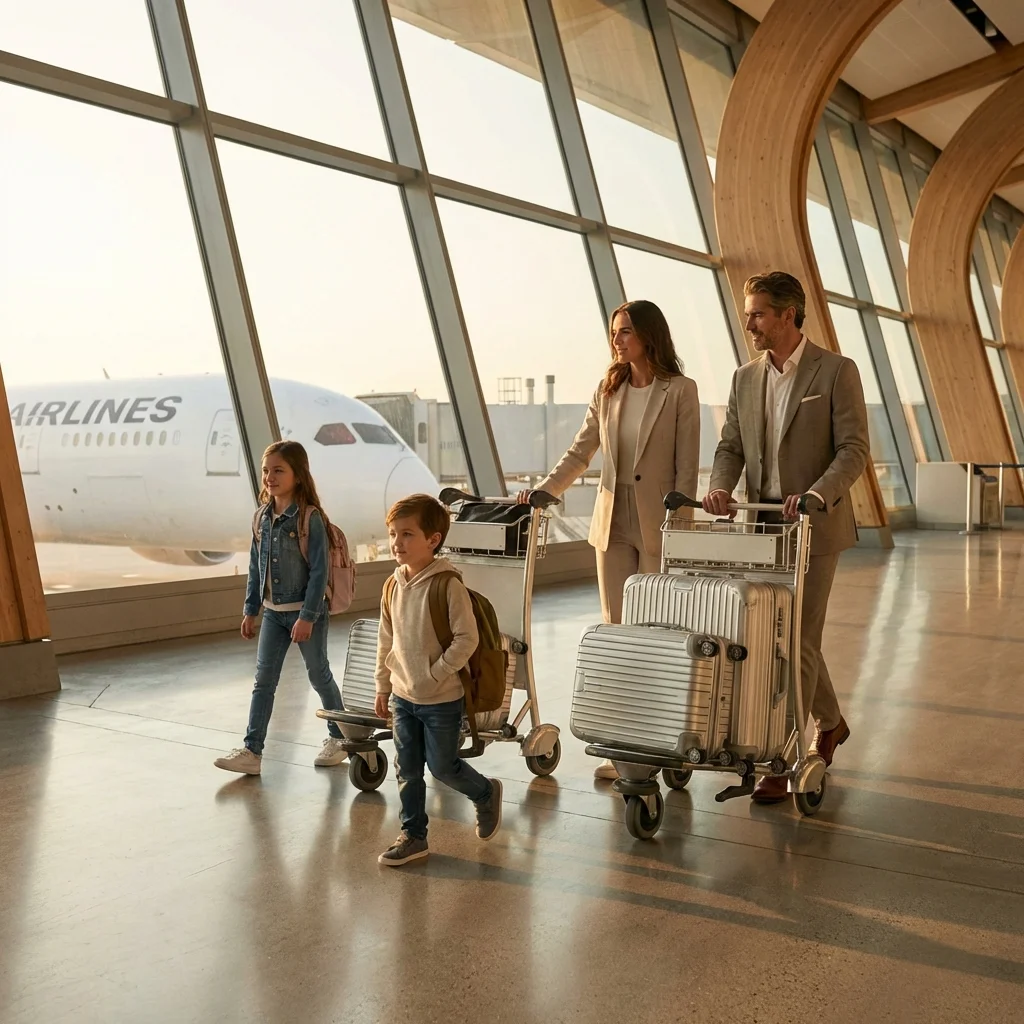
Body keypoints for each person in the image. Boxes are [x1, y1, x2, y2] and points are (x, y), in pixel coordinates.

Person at [703, 271, 869, 803]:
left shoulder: (837, 371)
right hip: (760, 527)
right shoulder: (744, 378)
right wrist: (719, 489)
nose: (747, 322)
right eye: (748, 312)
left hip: (814, 527)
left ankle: (782, 755)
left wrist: (819, 493)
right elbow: (730, 446)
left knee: (796, 639)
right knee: (775, 638)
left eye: (757, 313)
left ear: (789, 314)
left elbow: (853, 449)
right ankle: (832, 723)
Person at [518, 299, 700, 781]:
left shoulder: (680, 391)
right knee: (617, 631)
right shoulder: (608, 389)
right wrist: (546, 490)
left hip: (659, 522)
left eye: (624, 332)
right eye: (614, 332)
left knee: (659, 632)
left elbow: (686, 465)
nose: (616, 340)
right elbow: (582, 449)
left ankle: (663, 740)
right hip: (612, 518)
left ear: (648, 335)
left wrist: (679, 527)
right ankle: (623, 746)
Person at [373, 494, 503, 867]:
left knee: (443, 766)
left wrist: (435, 674)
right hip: (402, 695)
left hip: (441, 698)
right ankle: (413, 835)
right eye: (393, 534)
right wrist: (383, 685)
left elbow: (468, 639)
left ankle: (484, 793)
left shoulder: (448, 585)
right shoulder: (392, 586)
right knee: (407, 769)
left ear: (433, 539)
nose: (397, 543)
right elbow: (387, 639)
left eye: (407, 535)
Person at [214, 441, 348, 776]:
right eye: (265, 470)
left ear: (298, 475)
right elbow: (256, 568)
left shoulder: (309, 518)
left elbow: (320, 572)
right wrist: (250, 609)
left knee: (319, 674)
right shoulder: (261, 517)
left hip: (307, 611)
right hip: (273, 613)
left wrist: (306, 617)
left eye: (278, 470)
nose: (269, 477)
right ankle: (252, 751)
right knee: (264, 681)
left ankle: (340, 738)